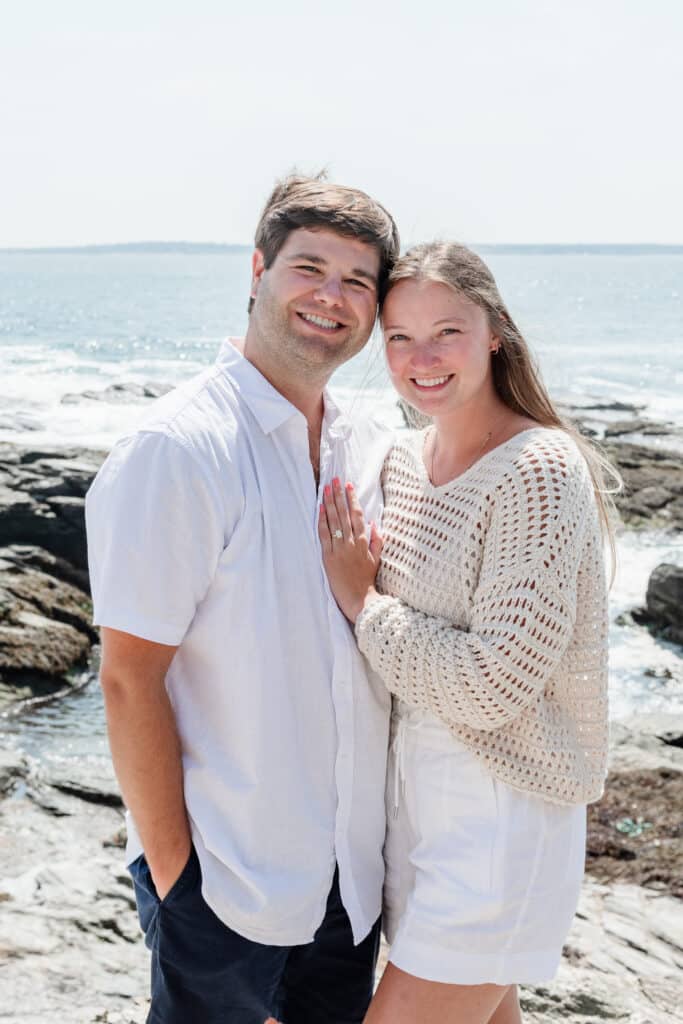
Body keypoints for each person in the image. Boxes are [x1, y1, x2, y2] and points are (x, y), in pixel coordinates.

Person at [85, 173, 400, 1024]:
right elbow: (127, 679)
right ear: (257, 269)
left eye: (357, 282)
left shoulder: (369, 446)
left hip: (346, 888)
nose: (330, 297)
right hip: (225, 882)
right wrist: (176, 879)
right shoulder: (176, 450)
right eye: (309, 267)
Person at [319, 241, 616, 1024]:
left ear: (492, 332)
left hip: (503, 815)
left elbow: (494, 683)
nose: (421, 358)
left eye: (445, 331)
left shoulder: (538, 467)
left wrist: (364, 604)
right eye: (398, 338)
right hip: (409, 812)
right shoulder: (401, 462)